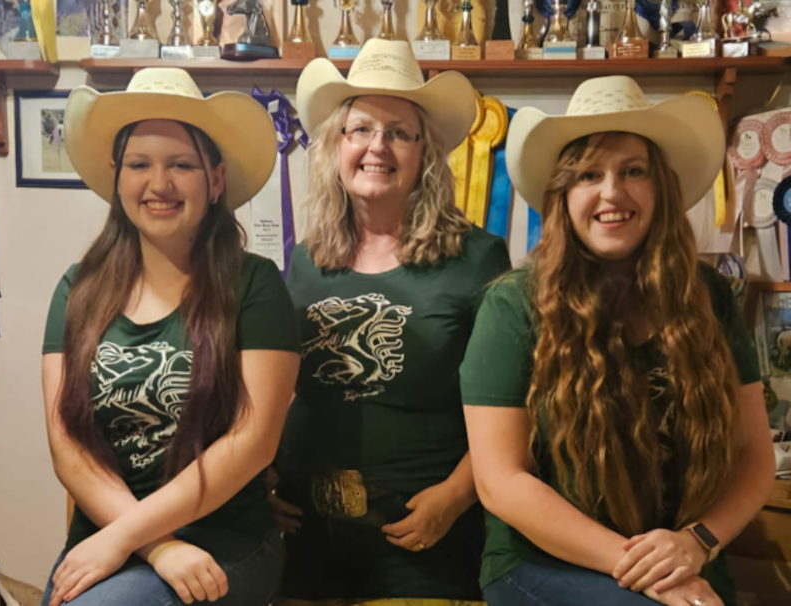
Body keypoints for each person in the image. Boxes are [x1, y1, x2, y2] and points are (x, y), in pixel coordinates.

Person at [461, 76, 776, 606]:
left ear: (661, 189)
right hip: (544, 563)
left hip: (683, 558)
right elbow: (501, 481)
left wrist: (698, 542)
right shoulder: (514, 304)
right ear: (564, 194)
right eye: (590, 174)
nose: (612, 192)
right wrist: (646, 569)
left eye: (634, 171)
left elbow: (754, 457)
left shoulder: (710, 297)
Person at [40, 67, 300, 606]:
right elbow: (68, 447)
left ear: (216, 180)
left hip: (226, 542)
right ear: (117, 175)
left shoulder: (254, 286)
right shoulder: (77, 287)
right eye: (140, 165)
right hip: (108, 539)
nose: (159, 184)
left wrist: (133, 540)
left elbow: (253, 445)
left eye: (181, 165)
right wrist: (151, 544)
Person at [270, 39, 511, 601]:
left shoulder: (478, 258)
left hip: (425, 539)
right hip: (307, 534)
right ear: (336, 146)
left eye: (399, 132)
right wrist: (261, 478)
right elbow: (276, 389)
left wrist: (454, 497)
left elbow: (516, 406)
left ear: (426, 152)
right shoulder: (304, 260)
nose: (378, 145)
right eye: (360, 129)